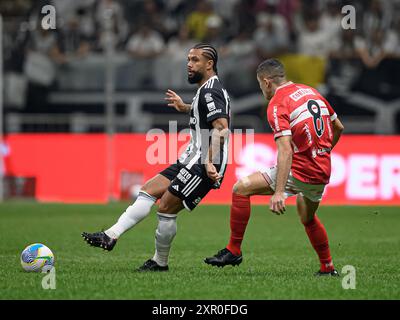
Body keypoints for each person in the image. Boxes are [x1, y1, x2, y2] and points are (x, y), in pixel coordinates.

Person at [82, 43, 231, 271]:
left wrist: (209, 161)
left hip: (204, 161)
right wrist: (186, 108)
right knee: (148, 190)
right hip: (191, 156)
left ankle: (159, 262)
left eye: (195, 60)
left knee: (166, 208)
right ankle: (110, 235)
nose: (189, 65)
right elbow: (207, 111)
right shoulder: (207, 89)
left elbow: (222, 128)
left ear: (209, 64)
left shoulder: (211, 90)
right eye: (188, 59)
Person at [205, 59, 344, 276]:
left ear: (267, 82)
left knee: (241, 189)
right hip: (322, 170)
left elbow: (285, 150)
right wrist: (322, 152)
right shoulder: (310, 91)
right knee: (307, 217)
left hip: (300, 170)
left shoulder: (277, 104)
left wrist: (279, 192)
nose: (262, 90)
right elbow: (338, 126)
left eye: (260, 85)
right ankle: (327, 267)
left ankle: (233, 250)